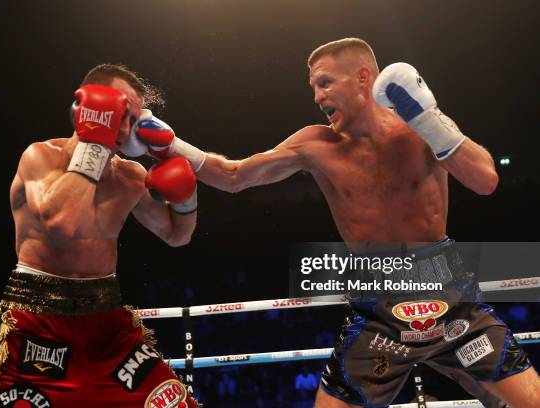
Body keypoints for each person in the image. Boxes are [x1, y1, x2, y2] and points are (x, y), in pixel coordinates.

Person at [130, 38, 540, 407]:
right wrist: (171, 145)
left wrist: (429, 122)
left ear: (363, 77)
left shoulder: (419, 127)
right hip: (377, 306)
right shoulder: (316, 145)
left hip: (448, 292)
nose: (316, 96)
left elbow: (486, 180)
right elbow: (235, 176)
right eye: (313, 87)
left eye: (325, 83)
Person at [0, 64, 199, 408]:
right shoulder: (40, 157)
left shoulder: (130, 176)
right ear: (88, 110)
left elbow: (177, 235)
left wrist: (186, 199)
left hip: (108, 330)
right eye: (118, 114)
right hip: (35, 325)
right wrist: (94, 143)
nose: (126, 127)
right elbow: (63, 223)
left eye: (133, 118)